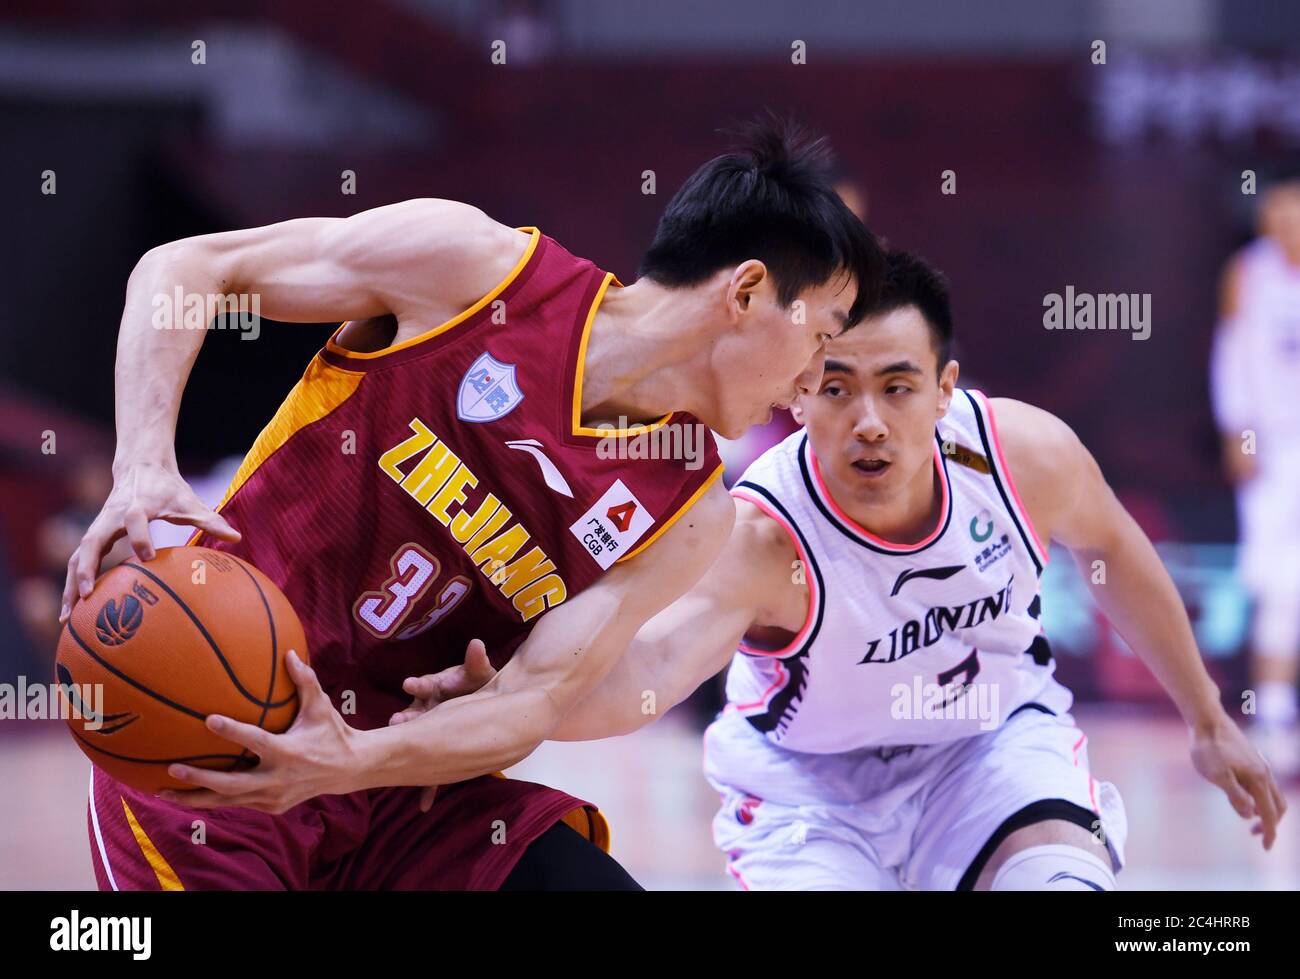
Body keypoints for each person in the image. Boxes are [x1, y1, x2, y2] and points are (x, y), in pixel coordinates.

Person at [62, 118, 884, 890]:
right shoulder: (475, 272)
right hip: (209, 733)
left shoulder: (690, 509)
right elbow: (188, 269)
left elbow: (533, 700)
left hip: (395, 781)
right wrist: (139, 465)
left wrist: (351, 759)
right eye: (821, 335)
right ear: (746, 292)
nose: (815, 379)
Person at [409, 249, 1286, 890]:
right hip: (810, 794)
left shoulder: (1024, 456)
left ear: (945, 390)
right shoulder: (760, 535)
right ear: (796, 396)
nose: (869, 420)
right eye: (836, 388)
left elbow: (1116, 554)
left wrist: (1207, 719)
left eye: (898, 388)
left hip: (989, 750)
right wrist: (517, 700)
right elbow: (651, 671)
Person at [1211, 178, 1300, 779]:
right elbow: (1232, 358)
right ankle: (1272, 718)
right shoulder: (1248, 273)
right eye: (1277, 213)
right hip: (1274, 450)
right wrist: (1237, 431)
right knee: (1279, 581)